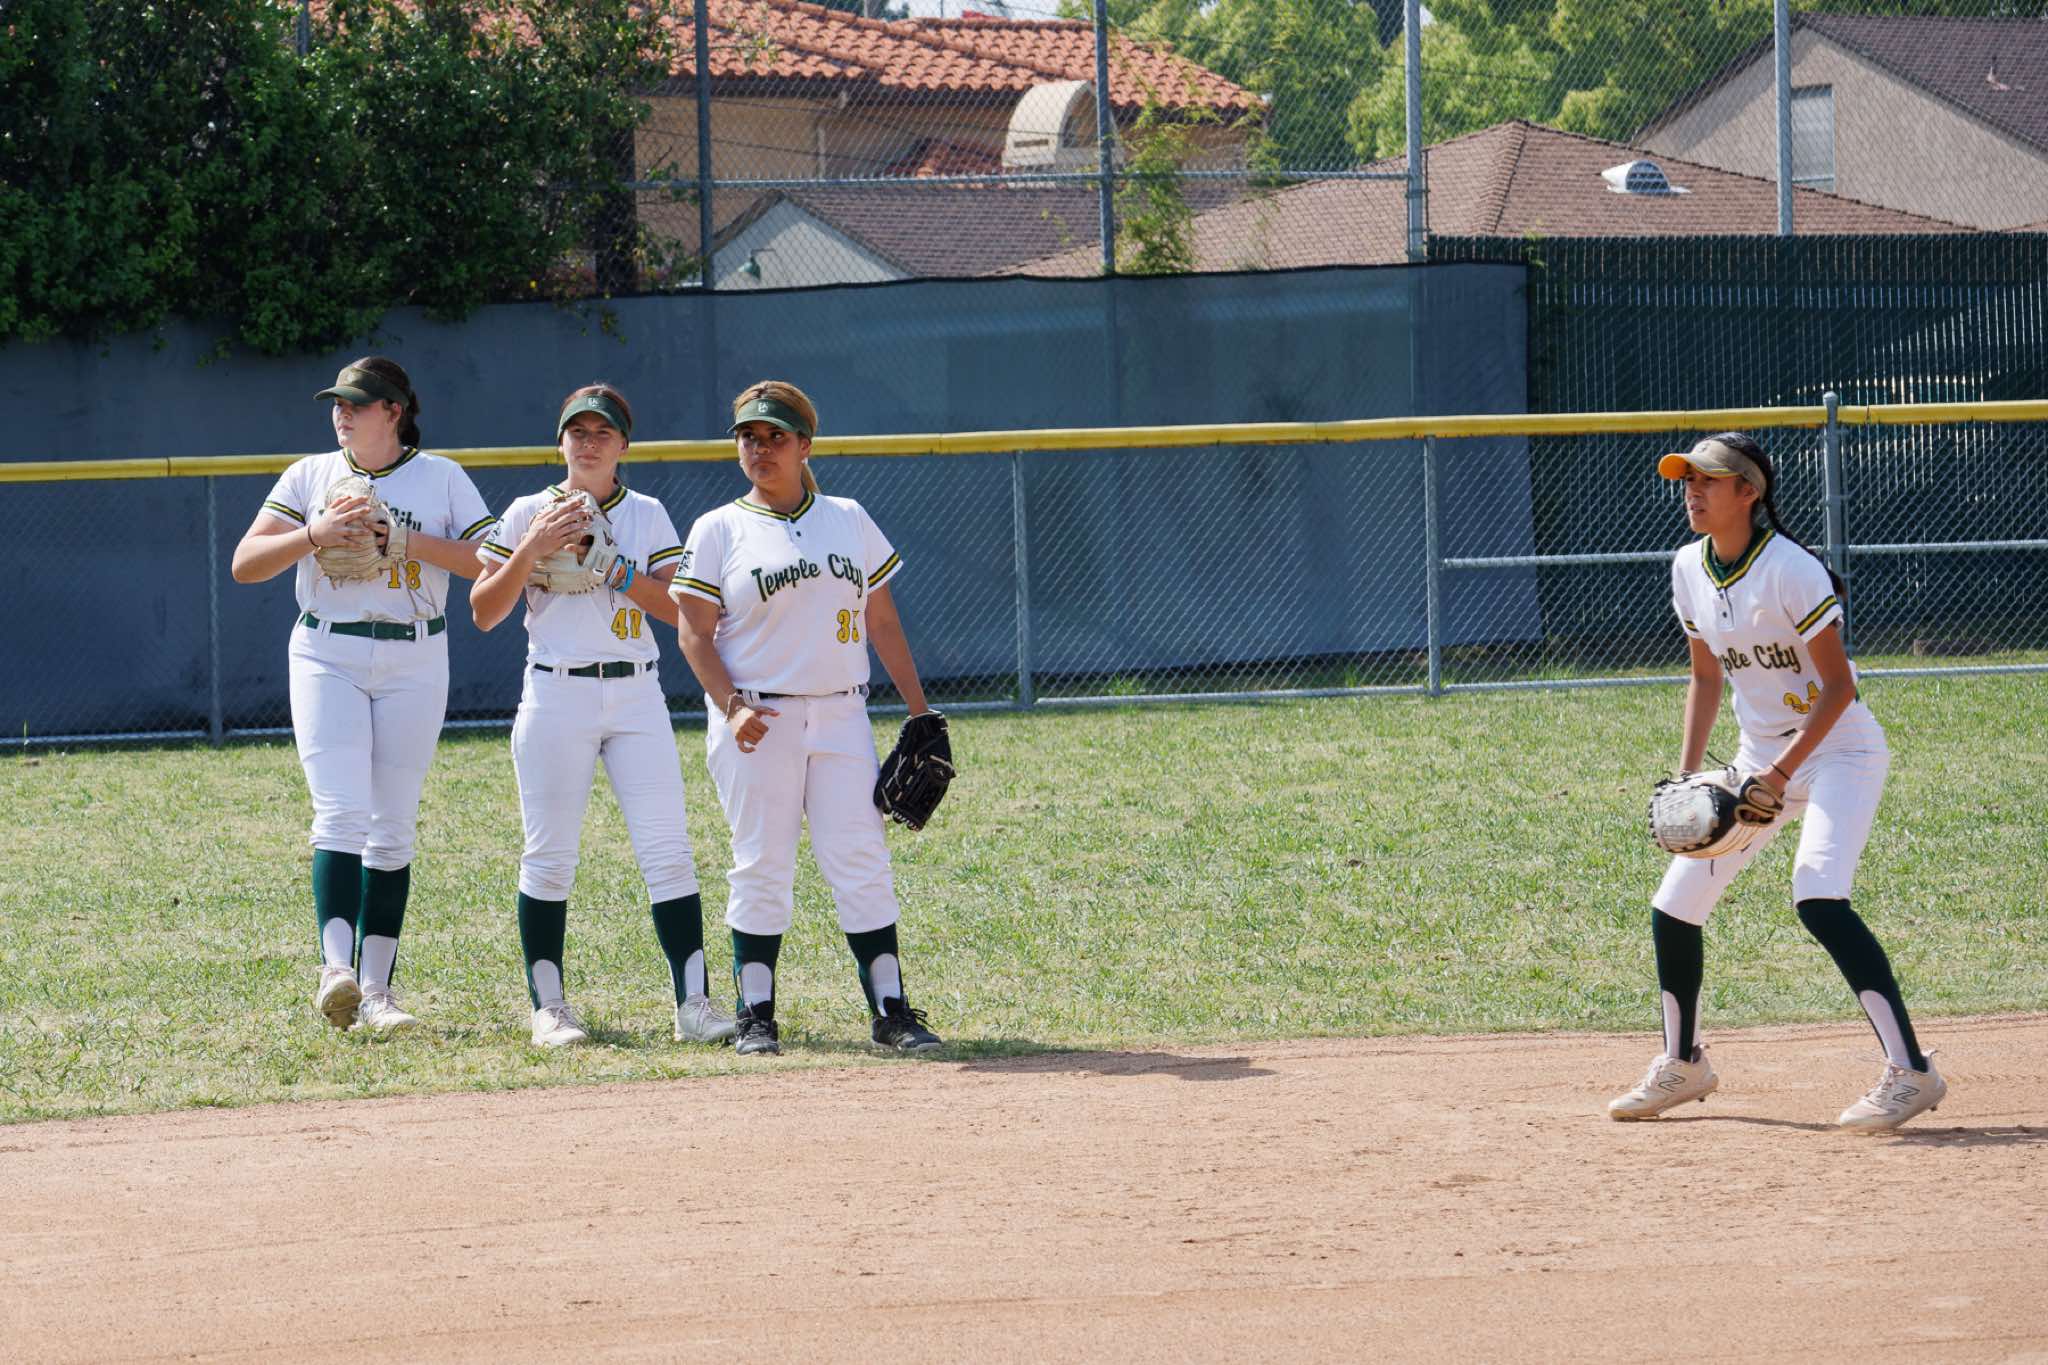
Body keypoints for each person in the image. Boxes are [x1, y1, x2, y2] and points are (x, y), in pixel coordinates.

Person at [1609, 432, 1945, 1131]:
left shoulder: (1791, 569)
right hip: (1757, 760)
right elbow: (1705, 677)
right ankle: (1683, 1063)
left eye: (1708, 479)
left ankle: (1912, 1070)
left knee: (1818, 896)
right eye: (1686, 480)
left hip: (1839, 752)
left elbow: (1839, 688)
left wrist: (1782, 772)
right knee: (1675, 906)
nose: (1692, 491)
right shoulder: (1689, 566)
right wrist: (1689, 774)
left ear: (1748, 493)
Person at [669, 381, 944, 1057]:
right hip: (757, 716)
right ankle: (755, 1014)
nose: (760, 448)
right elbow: (693, 633)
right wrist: (731, 707)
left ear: (805, 446)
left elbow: (882, 620)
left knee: (861, 857)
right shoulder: (718, 528)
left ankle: (890, 1009)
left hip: (843, 711)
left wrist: (920, 710)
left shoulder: (848, 517)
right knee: (762, 861)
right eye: (749, 437)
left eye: (776, 437)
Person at [230, 357, 495, 1033]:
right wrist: (312, 535)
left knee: (393, 823)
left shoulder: (441, 476)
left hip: (415, 652)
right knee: (341, 812)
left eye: (358, 402)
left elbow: (490, 561)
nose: (342, 412)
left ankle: (377, 992)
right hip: (328, 649)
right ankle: (335, 971)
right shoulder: (310, 474)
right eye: (338, 403)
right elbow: (245, 563)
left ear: (394, 411)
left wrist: (402, 540)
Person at [469, 384, 736, 1049]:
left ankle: (694, 1005)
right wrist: (530, 549)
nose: (588, 443)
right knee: (549, 856)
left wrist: (614, 567)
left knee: (668, 851)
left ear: (623, 446)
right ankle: (550, 1008)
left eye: (602, 433)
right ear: (560, 441)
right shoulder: (527, 511)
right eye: (577, 431)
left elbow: (681, 611)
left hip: (636, 692)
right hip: (556, 690)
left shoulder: (647, 514)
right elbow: (483, 611)